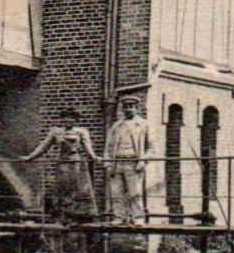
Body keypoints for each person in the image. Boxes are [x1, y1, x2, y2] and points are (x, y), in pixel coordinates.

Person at [22, 108, 98, 221]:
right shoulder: (55, 131)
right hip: (63, 163)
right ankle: (63, 215)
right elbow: (44, 146)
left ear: (75, 119)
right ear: (63, 119)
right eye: (66, 117)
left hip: (77, 163)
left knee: (79, 188)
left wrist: (94, 157)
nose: (69, 120)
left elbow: (88, 148)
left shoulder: (81, 131)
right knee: (63, 187)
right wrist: (30, 157)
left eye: (72, 117)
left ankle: (80, 215)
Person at [105, 95, 152, 226]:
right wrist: (108, 163)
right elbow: (108, 146)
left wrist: (143, 161)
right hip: (117, 163)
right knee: (116, 192)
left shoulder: (143, 125)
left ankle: (138, 218)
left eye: (131, 107)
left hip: (133, 163)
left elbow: (152, 147)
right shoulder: (117, 126)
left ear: (137, 108)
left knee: (135, 192)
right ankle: (119, 217)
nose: (128, 109)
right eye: (125, 107)